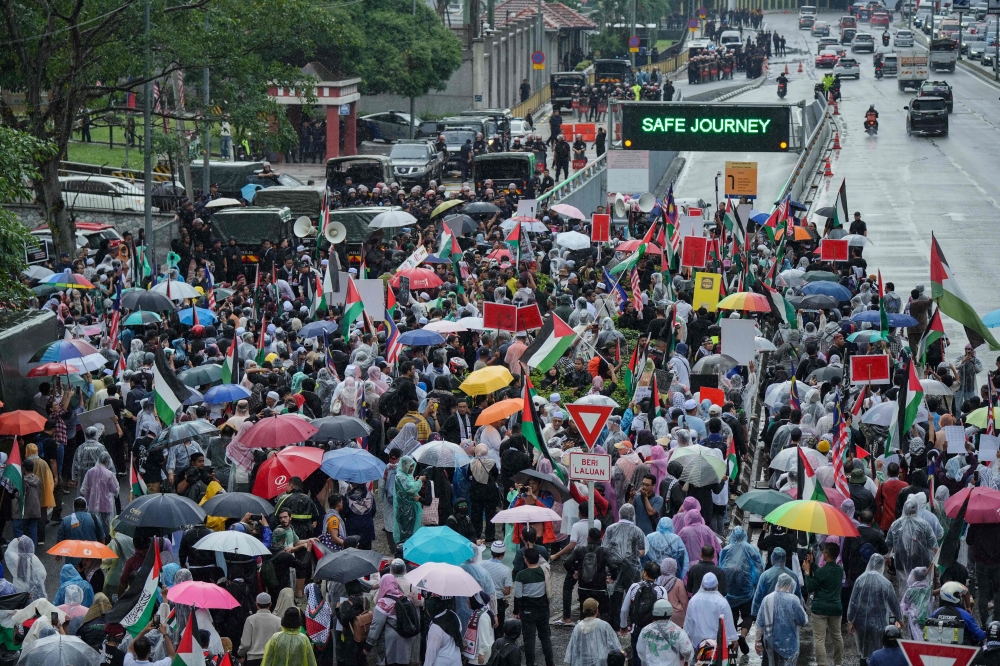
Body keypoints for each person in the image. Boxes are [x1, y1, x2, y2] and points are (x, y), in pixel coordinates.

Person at [848, 555, 902, 662]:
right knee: (878, 651)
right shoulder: (885, 583)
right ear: (881, 565)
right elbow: (894, 603)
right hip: (879, 623)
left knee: (863, 650)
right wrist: (900, 619)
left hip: (861, 623)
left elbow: (854, 602)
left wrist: (851, 620)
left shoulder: (860, 580)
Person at [718, 527, 762, 654]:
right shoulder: (752, 549)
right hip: (746, 588)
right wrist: (754, 582)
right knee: (748, 614)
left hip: (730, 588)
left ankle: (733, 641)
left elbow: (721, 567)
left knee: (732, 614)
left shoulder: (726, 550)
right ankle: (742, 635)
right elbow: (759, 567)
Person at [805, 542, 845, 666]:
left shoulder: (823, 571)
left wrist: (807, 572)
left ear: (826, 555)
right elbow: (823, 574)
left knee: (819, 639)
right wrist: (813, 564)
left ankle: (823, 664)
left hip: (820, 609)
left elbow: (811, 586)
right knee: (837, 636)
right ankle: (838, 663)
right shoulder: (839, 570)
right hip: (835, 608)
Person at [755, 573, 808, 666]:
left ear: (778, 584)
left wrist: (757, 640)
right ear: (790, 585)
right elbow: (803, 620)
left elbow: (760, 623)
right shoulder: (793, 600)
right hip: (789, 643)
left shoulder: (767, 599)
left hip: (770, 642)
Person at [620, 560, 666, 666]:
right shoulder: (661, 590)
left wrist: (623, 626)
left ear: (644, 573)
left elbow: (624, 610)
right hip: (654, 630)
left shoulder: (634, 587)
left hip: (637, 628)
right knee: (653, 656)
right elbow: (664, 613)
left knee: (637, 655)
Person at [514, 548, 554, 666]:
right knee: (545, 637)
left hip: (527, 610)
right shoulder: (543, 572)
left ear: (525, 559)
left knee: (529, 639)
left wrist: (516, 611)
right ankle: (550, 663)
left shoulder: (521, 575)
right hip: (543, 609)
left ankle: (530, 663)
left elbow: (518, 596)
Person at [683, 572, 737, 650]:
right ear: (717, 585)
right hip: (717, 642)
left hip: (698, 642)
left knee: (697, 661)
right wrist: (733, 638)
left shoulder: (693, 600)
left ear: (702, 584)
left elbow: (689, 622)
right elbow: (727, 622)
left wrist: (687, 638)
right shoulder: (722, 602)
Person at [565, 597, 623, 666]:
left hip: (582, 662)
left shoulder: (577, 627)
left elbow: (573, 649)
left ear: (583, 611)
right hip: (600, 662)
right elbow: (615, 646)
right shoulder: (604, 625)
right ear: (597, 611)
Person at [636, 598, 695, 666]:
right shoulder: (678, 631)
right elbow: (687, 651)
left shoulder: (645, 630)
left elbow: (641, 651)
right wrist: (686, 661)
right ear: (670, 612)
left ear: (654, 611)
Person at [239, 593, 283, 666]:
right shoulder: (278, 620)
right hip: (272, 659)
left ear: (256, 604)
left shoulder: (250, 620)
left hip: (253, 659)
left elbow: (246, 644)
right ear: (270, 604)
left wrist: (240, 653)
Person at [424, 595, 464, 666]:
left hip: (442, 661)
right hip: (456, 660)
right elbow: (459, 630)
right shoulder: (453, 615)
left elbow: (431, 652)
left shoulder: (436, 626)